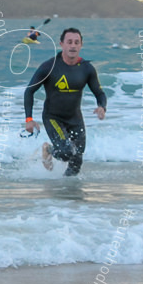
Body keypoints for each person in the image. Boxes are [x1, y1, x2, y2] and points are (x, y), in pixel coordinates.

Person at [23, 28, 106, 176]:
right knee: (66, 152)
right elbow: (29, 91)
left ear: (81, 45)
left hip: (75, 118)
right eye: (69, 42)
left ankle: (66, 193)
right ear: (62, 44)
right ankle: (48, 149)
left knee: (77, 162)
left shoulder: (87, 69)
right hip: (53, 117)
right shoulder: (49, 67)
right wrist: (29, 119)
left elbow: (99, 93)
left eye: (76, 42)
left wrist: (102, 107)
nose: (73, 46)